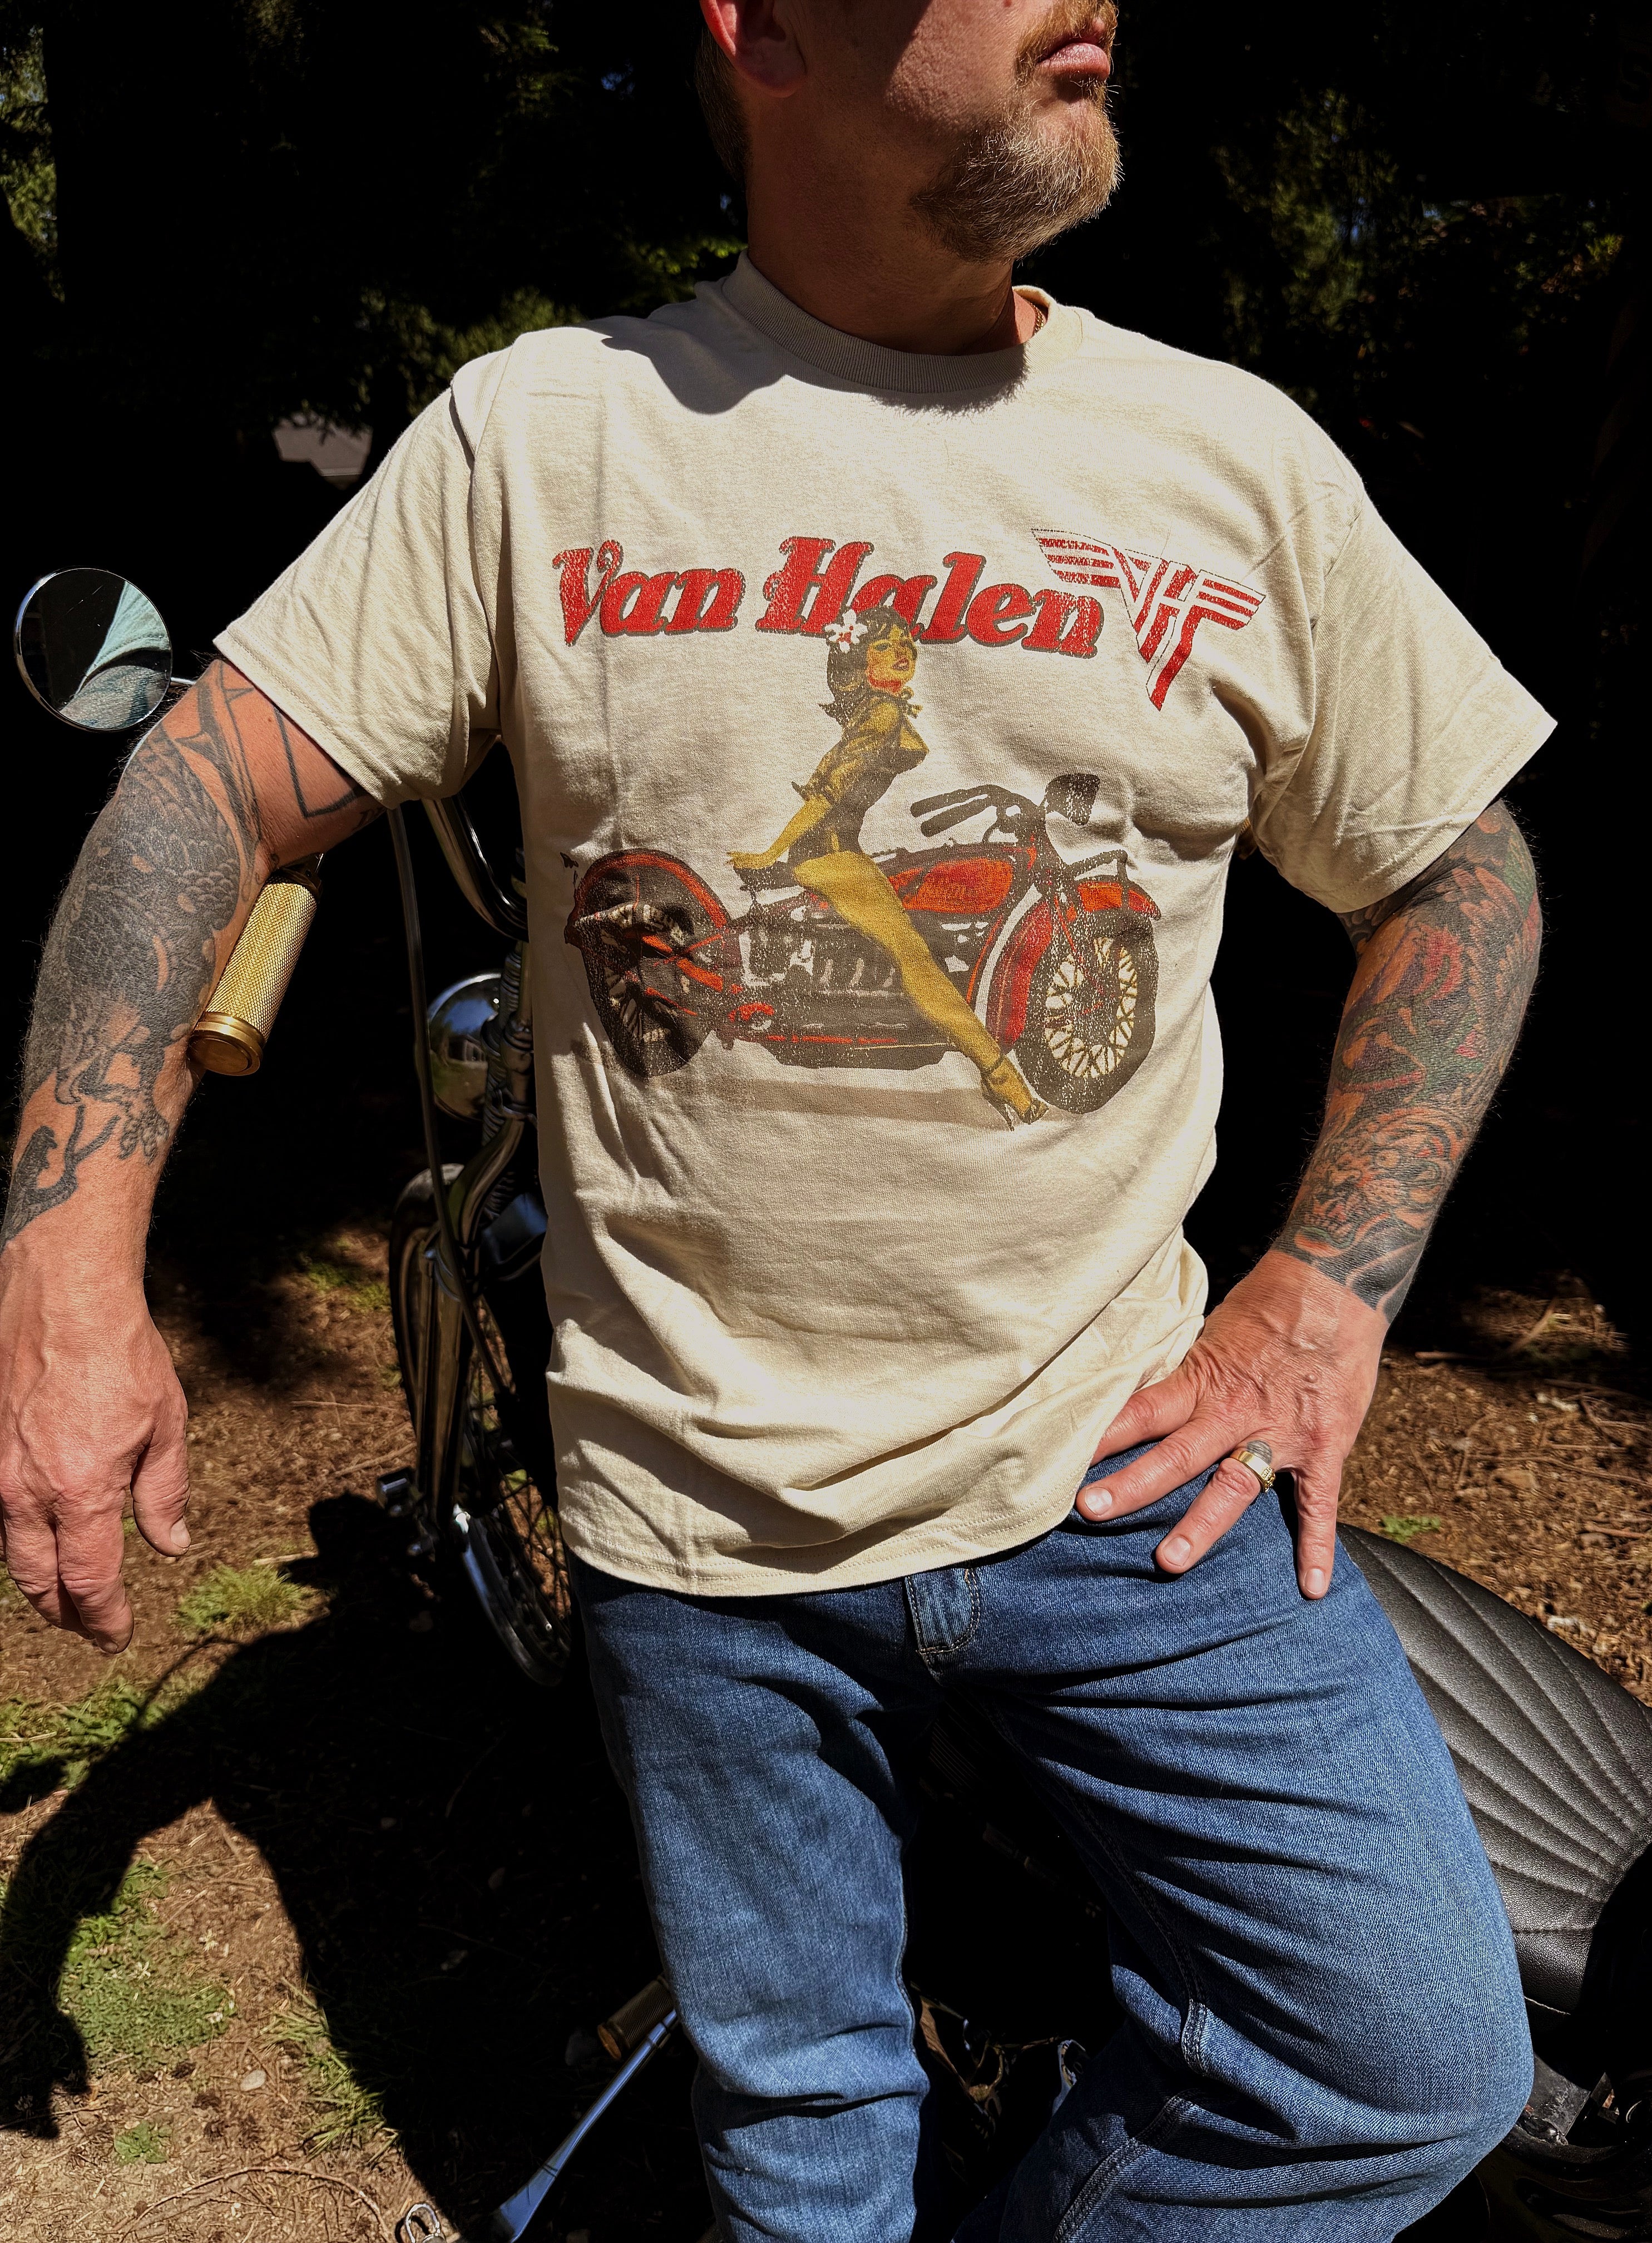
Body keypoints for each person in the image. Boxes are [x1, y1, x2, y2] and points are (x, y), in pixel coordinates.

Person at [0, 2, 1553, 2236]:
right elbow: (205, 785)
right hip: (700, 1516)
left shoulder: (1230, 458)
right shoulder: (549, 437)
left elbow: (1456, 870)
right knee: (803, 2154)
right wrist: (66, 1276)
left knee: (1397, 2058)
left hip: (1132, 1480)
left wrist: (1329, 1285)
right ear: (768, 27)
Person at [729, 604, 1047, 1123]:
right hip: (830, 855)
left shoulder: (881, 712)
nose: (902, 650)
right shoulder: (880, 716)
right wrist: (770, 852)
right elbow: (827, 797)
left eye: (905, 641)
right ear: (858, 663)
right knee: (915, 958)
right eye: (883, 645)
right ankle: (998, 1073)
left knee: (917, 932)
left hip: (843, 850)